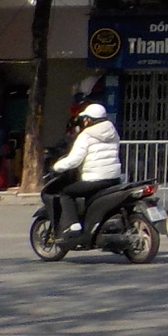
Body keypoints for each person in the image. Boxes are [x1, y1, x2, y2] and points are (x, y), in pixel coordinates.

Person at [49, 102, 123, 243]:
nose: (84, 121)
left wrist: (56, 167)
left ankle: (74, 226)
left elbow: (75, 159)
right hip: (113, 178)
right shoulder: (113, 132)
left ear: (89, 119)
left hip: (94, 179)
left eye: (85, 118)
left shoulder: (86, 135)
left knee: (66, 193)